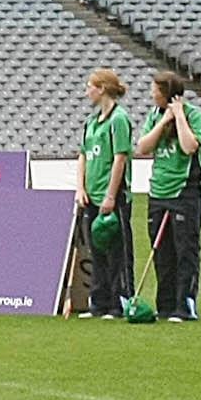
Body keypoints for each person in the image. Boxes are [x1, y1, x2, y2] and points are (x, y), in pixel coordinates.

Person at [134, 69, 201, 322]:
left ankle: (184, 305)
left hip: (184, 192)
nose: (152, 94)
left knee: (185, 250)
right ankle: (164, 305)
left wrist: (178, 118)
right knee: (162, 253)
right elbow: (143, 147)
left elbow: (189, 147)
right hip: (158, 190)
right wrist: (163, 122)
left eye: (155, 90)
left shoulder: (193, 115)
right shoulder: (154, 115)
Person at [70, 68, 137, 319]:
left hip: (112, 198)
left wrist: (111, 195)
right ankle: (98, 302)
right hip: (92, 195)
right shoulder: (91, 122)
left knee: (117, 253)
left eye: (90, 86)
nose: (87, 91)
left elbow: (120, 158)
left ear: (102, 88)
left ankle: (119, 302)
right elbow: (83, 155)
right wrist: (81, 187)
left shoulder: (118, 120)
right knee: (96, 251)